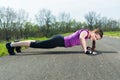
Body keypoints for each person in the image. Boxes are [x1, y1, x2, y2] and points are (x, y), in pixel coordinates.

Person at [6, 28, 103, 55]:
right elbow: (81, 38)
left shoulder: (87, 35)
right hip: (58, 41)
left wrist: (87, 48)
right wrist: (85, 50)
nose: (94, 39)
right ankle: (11, 45)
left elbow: (82, 40)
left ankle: (17, 43)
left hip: (59, 40)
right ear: (93, 31)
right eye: (95, 36)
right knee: (37, 44)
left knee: (38, 42)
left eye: (96, 39)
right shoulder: (86, 32)